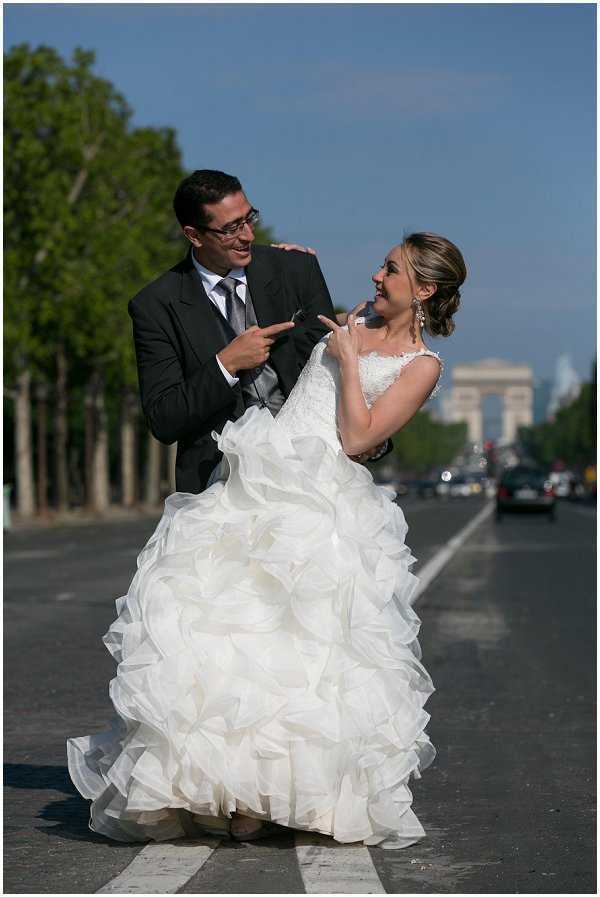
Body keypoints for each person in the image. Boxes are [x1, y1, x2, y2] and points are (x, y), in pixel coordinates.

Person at [67, 231, 467, 849]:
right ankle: (224, 788)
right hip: (258, 472)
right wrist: (288, 259)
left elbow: (361, 439)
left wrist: (353, 360)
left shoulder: (422, 365)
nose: (375, 276)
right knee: (227, 629)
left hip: (322, 497)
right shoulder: (351, 318)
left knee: (305, 651)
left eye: (389, 270)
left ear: (425, 288)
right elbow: (283, 301)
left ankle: (285, 793)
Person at [128, 169, 387, 494]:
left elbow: (333, 370)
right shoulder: (155, 305)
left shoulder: (297, 269)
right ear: (194, 235)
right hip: (219, 485)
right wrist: (225, 365)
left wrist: (373, 438)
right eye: (231, 229)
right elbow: (164, 420)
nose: (248, 235)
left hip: (311, 474)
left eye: (249, 218)